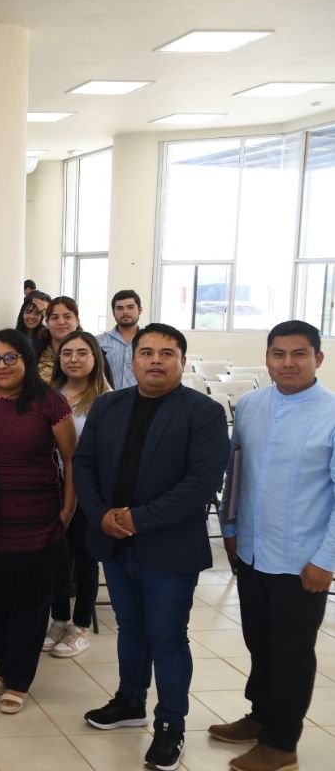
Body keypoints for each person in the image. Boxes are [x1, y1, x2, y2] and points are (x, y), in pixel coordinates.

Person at [73, 323, 229, 771]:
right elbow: (84, 463)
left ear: (181, 359)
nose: (155, 360)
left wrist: (138, 519)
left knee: (167, 636)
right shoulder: (109, 405)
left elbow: (200, 484)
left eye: (166, 353)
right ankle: (129, 702)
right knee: (131, 627)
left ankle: (170, 724)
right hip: (115, 541)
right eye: (146, 352)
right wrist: (101, 512)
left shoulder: (203, 412)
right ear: (132, 359)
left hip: (168, 546)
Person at [213, 320, 335, 771]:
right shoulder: (249, 406)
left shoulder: (331, 413)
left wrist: (326, 561)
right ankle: (261, 717)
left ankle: (282, 745)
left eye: (299, 354)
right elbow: (236, 475)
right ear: (267, 358)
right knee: (260, 643)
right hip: (252, 551)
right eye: (279, 354)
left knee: (292, 653)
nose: (288, 362)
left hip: (303, 561)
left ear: (317, 359)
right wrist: (229, 531)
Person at [0, 328, 76, 716]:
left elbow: (71, 460)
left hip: (39, 520)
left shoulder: (49, 403)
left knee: (31, 601)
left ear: (26, 360)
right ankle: (2, 667)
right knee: (1, 599)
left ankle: (20, 679)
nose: (2, 366)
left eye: (11, 358)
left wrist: (67, 511)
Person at [44, 330, 110, 659]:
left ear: (95, 358)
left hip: (90, 491)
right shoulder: (49, 394)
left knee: (85, 558)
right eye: (67, 353)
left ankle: (80, 625)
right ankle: (58, 619)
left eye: (82, 353)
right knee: (57, 557)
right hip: (52, 486)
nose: (74, 359)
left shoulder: (106, 398)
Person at [97, 290, 142, 390]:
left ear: (140, 310)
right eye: (120, 308)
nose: (125, 312)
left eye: (130, 307)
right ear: (113, 312)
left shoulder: (149, 341)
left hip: (142, 401)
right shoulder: (99, 341)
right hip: (108, 399)